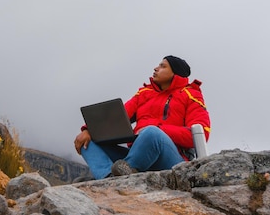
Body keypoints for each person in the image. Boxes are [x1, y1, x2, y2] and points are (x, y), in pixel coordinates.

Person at [74, 55, 211, 179]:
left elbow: (200, 134)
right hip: (137, 156)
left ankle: (126, 170)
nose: (156, 68)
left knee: (151, 132)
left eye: (163, 66)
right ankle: (108, 178)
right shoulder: (144, 93)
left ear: (176, 73)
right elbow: (117, 116)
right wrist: (88, 130)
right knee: (87, 142)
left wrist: (158, 129)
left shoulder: (191, 94)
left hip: (173, 159)